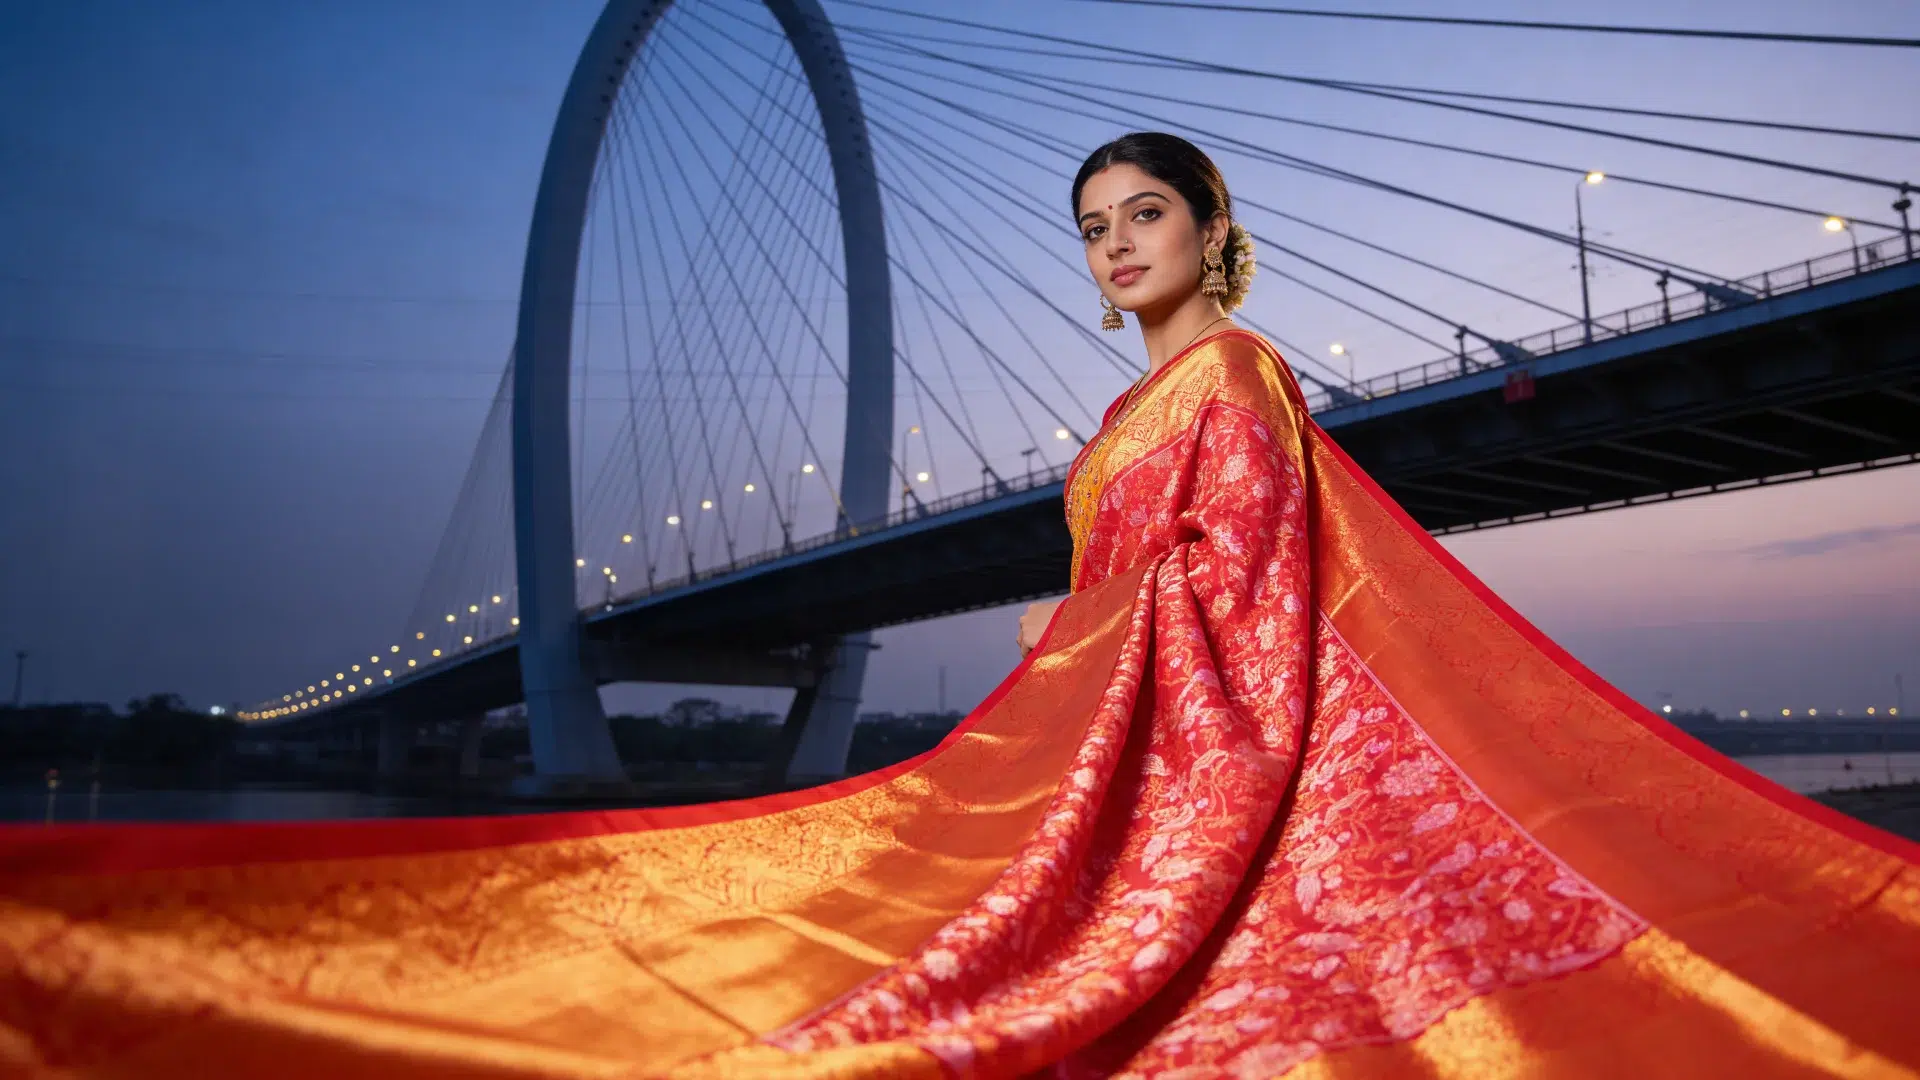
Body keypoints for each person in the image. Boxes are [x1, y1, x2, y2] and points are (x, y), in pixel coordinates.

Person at [1, 132, 1915, 1078]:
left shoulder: (1236, 380)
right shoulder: (1121, 417)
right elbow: (1137, 582)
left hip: (1209, 769)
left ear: (1213, 233)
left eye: (1142, 218)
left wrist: (1084, 648)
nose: (1113, 247)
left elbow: (1243, 608)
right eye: (1091, 230)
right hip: (1111, 725)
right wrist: (1076, 635)